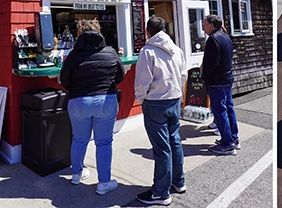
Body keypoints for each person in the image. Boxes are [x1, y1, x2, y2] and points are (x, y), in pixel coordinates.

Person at [58, 19, 123, 195]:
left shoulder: (73, 56)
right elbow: (120, 77)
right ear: (99, 32)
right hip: (105, 101)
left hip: (79, 101)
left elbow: (64, 81)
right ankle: (103, 183)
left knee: (79, 139)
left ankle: (77, 174)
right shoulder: (110, 52)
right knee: (103, 143)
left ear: (79, 34)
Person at [134, 16, 187, 205]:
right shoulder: (177, 50)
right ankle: (178, 182)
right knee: (175, 142)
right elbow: (183, 75)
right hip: (174, 99)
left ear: (148, 31)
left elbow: (142, 81)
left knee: (161, 148)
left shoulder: (147, 51)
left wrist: (142, 99)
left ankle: (160, 193)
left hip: (155, 102)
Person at [202, 14, 239, 155]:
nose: (203, 27)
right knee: (229, 109)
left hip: (217, 81)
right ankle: (233, 138)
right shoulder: (225, 36)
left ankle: (227, 144)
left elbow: (211, 64)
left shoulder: (213, 39)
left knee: (220, 111)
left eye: (205, 24)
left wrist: (204, 74)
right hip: (227, 78)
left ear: (212, 25)